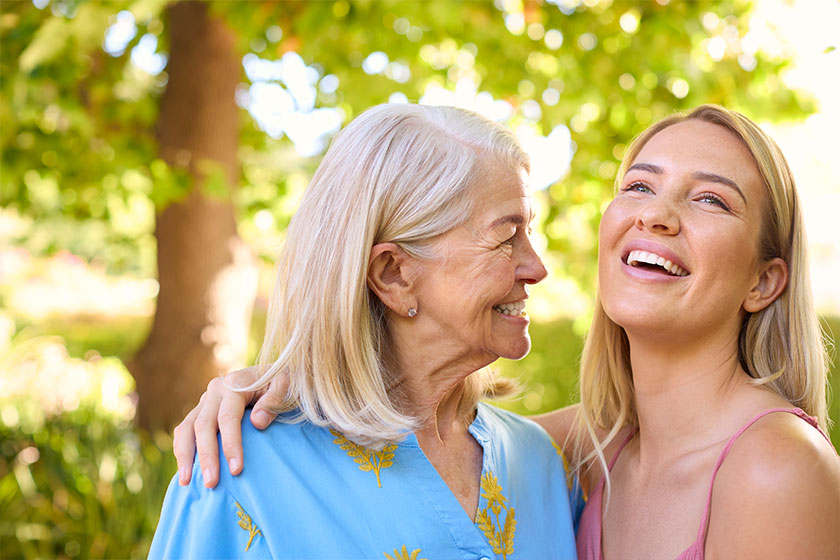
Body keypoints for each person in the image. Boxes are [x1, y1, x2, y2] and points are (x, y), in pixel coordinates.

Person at [174, 105, 840, 559]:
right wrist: (282, 382)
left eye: (711, 199)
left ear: (765, 281)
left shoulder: (769, 468)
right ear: (394, 274)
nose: (656, 215)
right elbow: (409, 429)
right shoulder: (582, 449)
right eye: (639, 186)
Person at [149, 103, 581, 559]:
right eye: (506, 238)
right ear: (393, 273)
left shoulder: (540, 461)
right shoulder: (238, 469)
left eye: (528, 232)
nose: (537, 267)